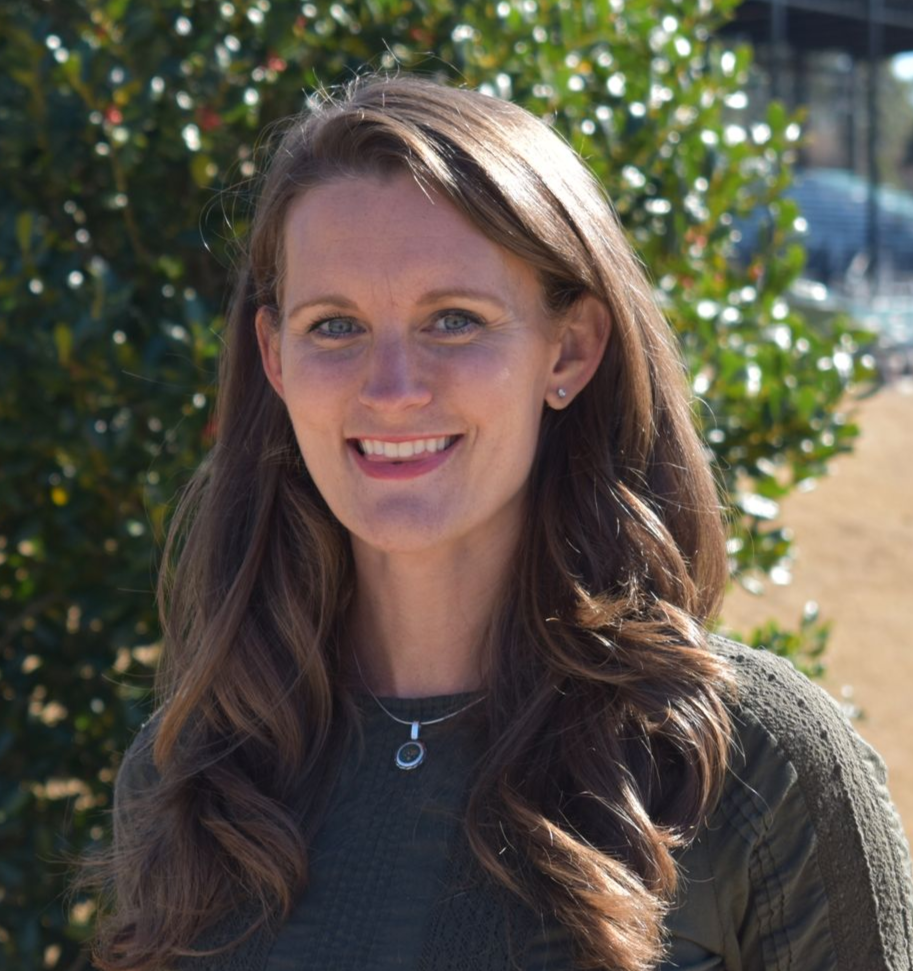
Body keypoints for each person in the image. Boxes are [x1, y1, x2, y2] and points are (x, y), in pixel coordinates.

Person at [88, 75, 913, 971]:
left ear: (569, 349)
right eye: (334, 326)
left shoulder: (756, 766)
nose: (393, 386)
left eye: (453, 319)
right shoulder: (190, 773)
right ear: (274, 357)